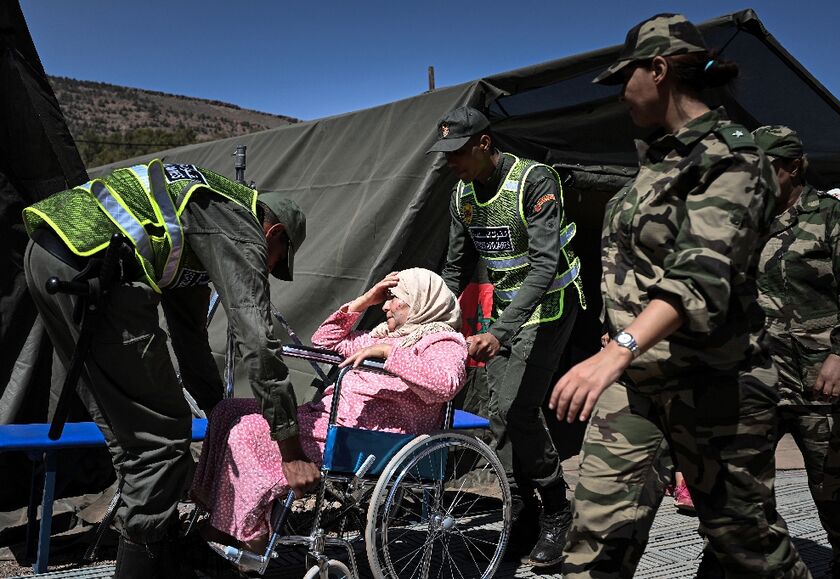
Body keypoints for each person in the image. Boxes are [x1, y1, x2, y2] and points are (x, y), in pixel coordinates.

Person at [550, 14, 810, 578]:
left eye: (626, 77)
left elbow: (700, 276)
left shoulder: (732, 160)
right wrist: (619, 340)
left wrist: (615, 349)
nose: (622, 93)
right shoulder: (657, 159)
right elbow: (637, 268)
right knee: (594, 538)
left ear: (659, 69)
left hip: (714, 385)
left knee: (744, 545)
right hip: (638, 385)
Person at [22, 160, 317, 578]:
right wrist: (290, 452)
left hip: (50, 252)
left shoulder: (192, 222)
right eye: (274, 262)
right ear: (274, 235)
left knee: (135, 440)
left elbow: (191, 338)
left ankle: (162, 552)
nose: (266, 270)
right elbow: (257, 339)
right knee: (160, 444)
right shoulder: (238, 225)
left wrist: (220, 419)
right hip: (90, 267)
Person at [190, 268, 468, 549]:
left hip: (371, 436)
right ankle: (221, 519)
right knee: (227, 411)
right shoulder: (383, 335)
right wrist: (364, 301)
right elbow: (324, 340)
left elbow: (445, 384)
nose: (385, 305)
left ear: (421, 300)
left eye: (394, 298)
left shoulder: (443, 341)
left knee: (250, 431)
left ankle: (248, 537)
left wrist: (389, 354)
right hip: (329, 417)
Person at [429, 106, 585, 567]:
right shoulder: (462, 194)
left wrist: (500, 331)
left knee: (518, 406)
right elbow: (454, 267)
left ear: (483, 143)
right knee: (500, 415)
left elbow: (543, 265)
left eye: (456, 152)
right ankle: (520, 512)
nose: (450, 162)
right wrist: (433, 319)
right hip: (506, 310)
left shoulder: (534, 181)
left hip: (551, 302)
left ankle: (559, 510)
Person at [753, 125, 840, 579]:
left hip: (822, 378)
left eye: (768, 169)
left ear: (794, 167)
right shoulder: (746, 221)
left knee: (830, 483)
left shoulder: (837, 216)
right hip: (758, 378)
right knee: (744, 481)